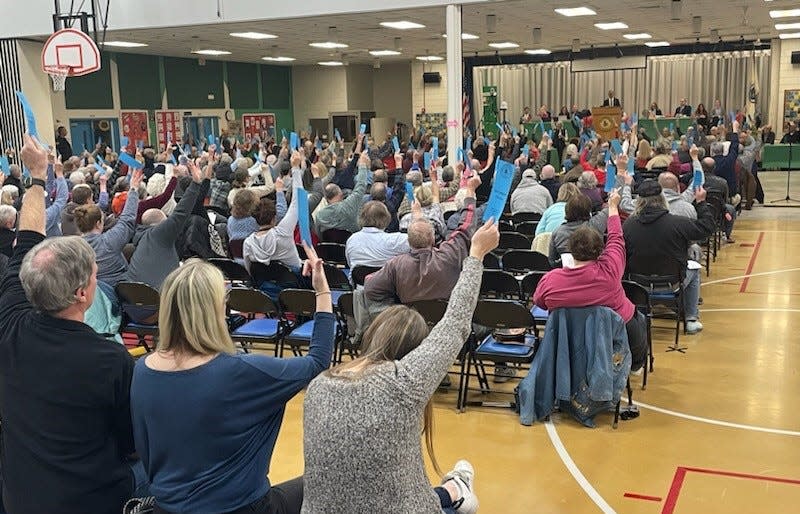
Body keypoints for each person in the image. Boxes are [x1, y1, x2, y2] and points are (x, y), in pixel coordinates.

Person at [301, 220, 499, 514]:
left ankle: (454, 490)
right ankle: (456, 491)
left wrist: (322, 290)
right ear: (414, 354)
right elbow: (456, 321)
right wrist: (476, 255)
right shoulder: (404, 383)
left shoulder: (317, 386)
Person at [131, 246, 335, 514]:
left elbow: (145, 452)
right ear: (217, 309)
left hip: (167, 507)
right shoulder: (244, 371)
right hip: (242, 507)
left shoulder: (142, 370)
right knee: (328, 479)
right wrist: (323, 292)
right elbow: (318, 361)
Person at [0, 134, 142, 514]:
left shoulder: (9, 323)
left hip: (19, 495)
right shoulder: (112, 360)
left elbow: (27, 235)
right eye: (96, 276)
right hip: (93, 499)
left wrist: (37, 177)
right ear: (82, 294)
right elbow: (130, 444)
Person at [534, 188, 647, 372]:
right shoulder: (611, 269)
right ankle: (634, 366)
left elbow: (540, 302)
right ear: (599, 250)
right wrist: (612, 207)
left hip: (571, 345)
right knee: (639, 321)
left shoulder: (550, 281)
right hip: (615, 336)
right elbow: (616, 238)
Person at [365, 176, 481, 305]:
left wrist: (396, 301)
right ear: (432, 238)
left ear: (408, 241)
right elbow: (465, 227)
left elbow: (369, 287)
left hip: (411, 319)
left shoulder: (395, 265)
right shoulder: (449, 254)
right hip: (446, 318)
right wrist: (470, 192)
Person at [623, 179, 715, 334]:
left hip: (637, 286)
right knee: (695, 271)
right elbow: (707, 227)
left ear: (638, 201)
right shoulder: (677, 223)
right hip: (672, 283)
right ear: (662, 199)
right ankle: (691, 318)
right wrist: (701, 202)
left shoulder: (628, 225)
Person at [126, 161, 205, 290]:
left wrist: (133, 190)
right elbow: (180, 213)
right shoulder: (160, 233)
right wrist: (195, 184)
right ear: (163, 224)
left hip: (133, 298)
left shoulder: (137, 235)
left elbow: (126, 216)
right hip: (160, 298)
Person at [74, 170, 143, 286]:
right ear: (98, 223)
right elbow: (127, 220)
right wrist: (133, 190)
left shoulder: (73, 247)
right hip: (115, 293)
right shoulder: (109, 241)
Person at [243, 155, 303, 272]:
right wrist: (295, 168)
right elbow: (297, 201)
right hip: (295, 287)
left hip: (263, 288)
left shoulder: (248, 243)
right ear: (273, 218)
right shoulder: (283, 232)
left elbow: (250, 272)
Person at [315, 151, 369, 236]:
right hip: (351, 245)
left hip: (327, 248)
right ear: (340, 194)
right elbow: (361, 186)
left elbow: (318, 235)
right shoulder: (349, 205)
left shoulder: (320, 215)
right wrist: (362, 165)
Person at [346, 200, 410, 268]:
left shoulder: (352, 240)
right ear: (386, 218)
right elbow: (418, 240)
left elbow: (350, 264)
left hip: (358, 278)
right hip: (386, 278)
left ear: (361, 217)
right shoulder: (397, 240)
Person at [548, 194, 607, 265]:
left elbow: (552, 261)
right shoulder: (595, 224)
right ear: (589, 211)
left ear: (567, 210)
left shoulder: (557, 232)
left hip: (566, 273)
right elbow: (610, 209)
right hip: (594, 271)